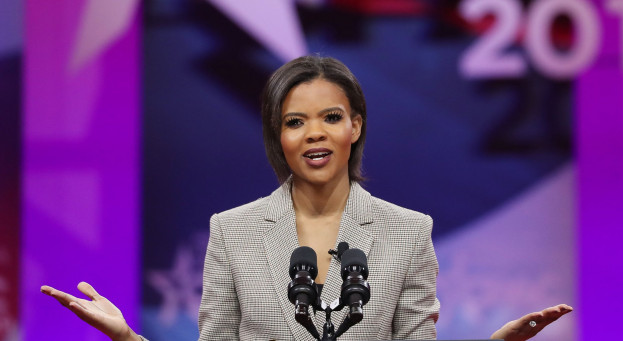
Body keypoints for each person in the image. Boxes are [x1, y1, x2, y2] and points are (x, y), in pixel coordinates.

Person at [41, 55, 572, 341]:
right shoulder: (233, 231)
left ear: (355, 127)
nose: (314, 134)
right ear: (279, 136)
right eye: (295, 122)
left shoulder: (408, 231)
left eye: (331, 118)